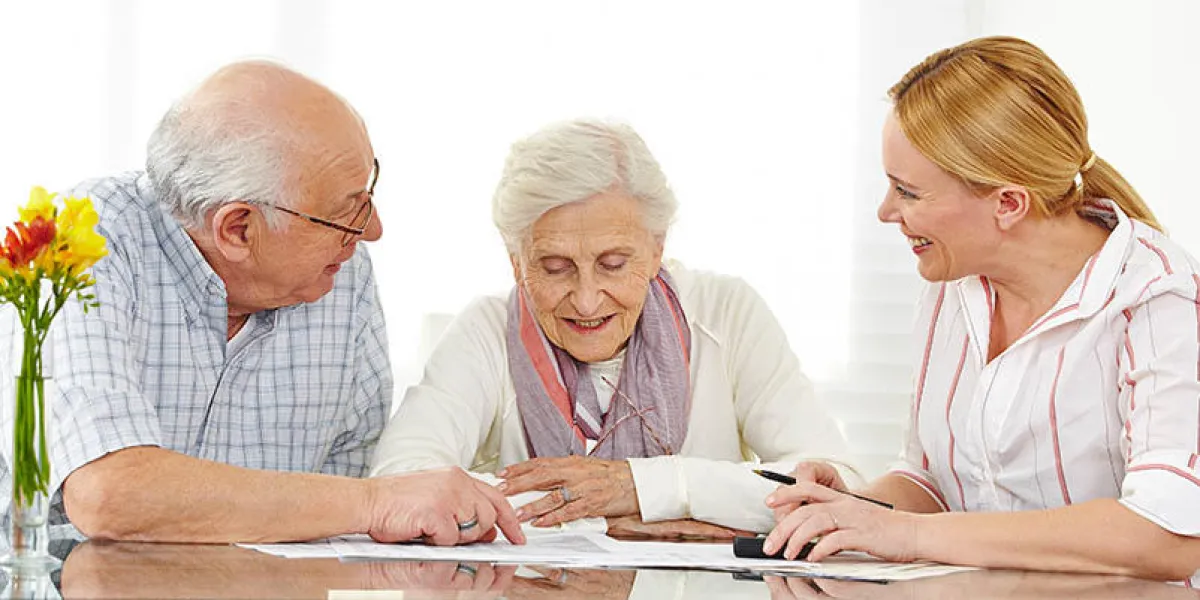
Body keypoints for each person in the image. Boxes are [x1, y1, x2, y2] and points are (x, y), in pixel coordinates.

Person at [0, 61, 522, 546]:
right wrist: (374, 503)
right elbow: (108, 494)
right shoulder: (77, 241)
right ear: (238, 228)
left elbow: (342, 505)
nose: (373, 231)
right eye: (348, 213)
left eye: (368, 194)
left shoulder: (340, 272)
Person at [763, 36, 1200, 582]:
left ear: (1008, 203)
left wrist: (909, 536)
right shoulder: (952, 282)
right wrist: (855, 511)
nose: (885, 211)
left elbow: (1167, 534)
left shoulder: (1157, 297)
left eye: (909, 192)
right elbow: (931, 482)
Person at [370, 118, 854, 535]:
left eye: (614, 263)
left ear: (656, 248)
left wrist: (642, 487)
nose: (585, 299)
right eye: (556, 267)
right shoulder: (486, 329)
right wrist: (697, 501)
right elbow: (399, 483)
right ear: (515, 261)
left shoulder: (727, 312)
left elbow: (837, 485)